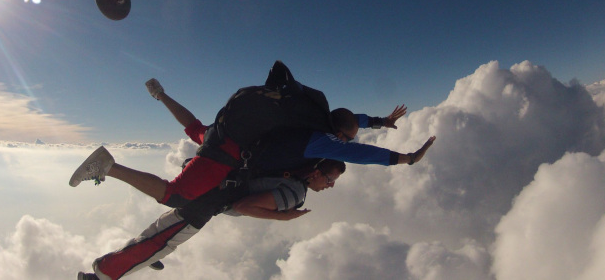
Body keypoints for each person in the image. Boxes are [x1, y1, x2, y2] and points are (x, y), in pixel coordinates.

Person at [69, 79, 435, 208]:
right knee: (176, 195)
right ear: (337, 136)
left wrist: (378, 122)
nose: (342, 142)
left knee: (197, 128)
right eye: (343, 139)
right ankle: (108, 165)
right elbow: (360, 152)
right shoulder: (322, 141)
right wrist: (406, 158)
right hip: (229, 154)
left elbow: (350, 124)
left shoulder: (314, 117)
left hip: (229, 133)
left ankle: (161, 95)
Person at [77, 158, 346, 280]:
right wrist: (284, 217)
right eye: (331, 179)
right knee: (163, 240)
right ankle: (101, 275)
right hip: (210, 204)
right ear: (317, 173)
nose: (331, 185)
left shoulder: (290, 166)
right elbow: (245, 205)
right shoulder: (294, 192)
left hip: (214, 185)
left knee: (161, 232)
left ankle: (143, 255)